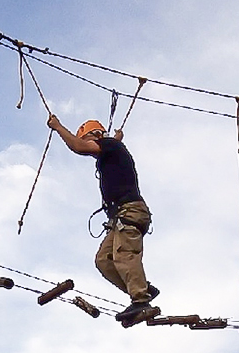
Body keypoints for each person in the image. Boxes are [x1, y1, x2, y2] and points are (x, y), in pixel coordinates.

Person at [46, 115, 159, 327]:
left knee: (123, 255)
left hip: (130, 212)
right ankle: (144, 289)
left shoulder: (109, 145)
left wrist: (58, 127)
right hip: (121, 216)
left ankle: (141, 300)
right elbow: (107, 145)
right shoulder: (113, 148)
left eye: (89, 139)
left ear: (96, 136)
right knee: (104, 260)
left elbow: (79, 147)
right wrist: (117, 138)